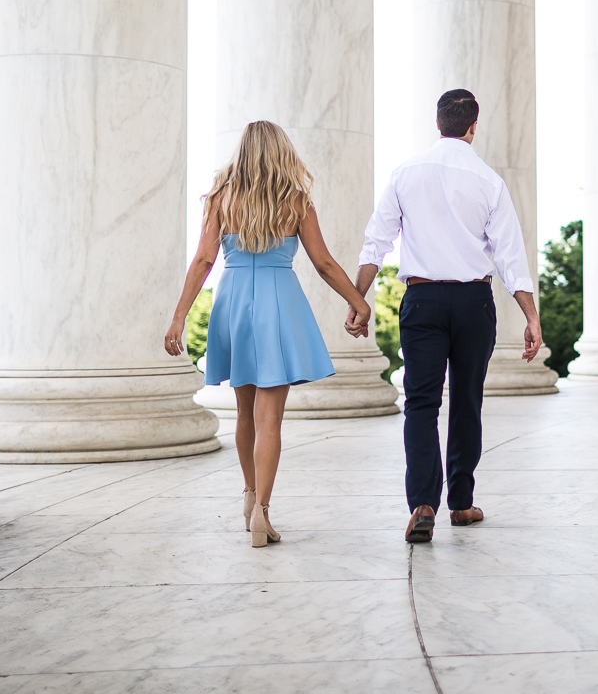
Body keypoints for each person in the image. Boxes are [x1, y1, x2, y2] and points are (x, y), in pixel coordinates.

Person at [165, 120, 371, 548]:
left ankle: (248, 497)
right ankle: (262, 513)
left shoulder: (221, 199)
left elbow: (204, 261)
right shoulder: (297, 201)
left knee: (243, 414)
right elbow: (325, 264)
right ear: (282, 153)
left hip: (234, 303)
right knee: (269, 420)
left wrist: (179, 316)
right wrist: (358, 301)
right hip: (280, 304)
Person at [354, 89, 542, 544]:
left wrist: (357, 300)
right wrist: (531, 319)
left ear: (437, 123)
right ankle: (460, 503)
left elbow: (376, 241)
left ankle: (422, 503)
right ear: (473, 127)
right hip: (474, 304)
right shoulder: (490, 181)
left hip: (422, 301)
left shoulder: (405, 173)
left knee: (420, 402)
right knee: (466, 400)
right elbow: (510, 257)